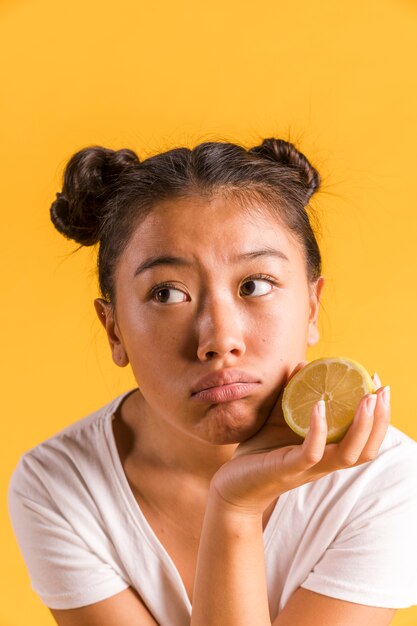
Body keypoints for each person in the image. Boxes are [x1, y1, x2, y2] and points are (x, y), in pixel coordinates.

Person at [8, 138, 417, 626]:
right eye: (166, 293)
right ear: (113, 328)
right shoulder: (60, 485)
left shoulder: (382, 482)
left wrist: (234, 508)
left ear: (311, 306)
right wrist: (234, 507)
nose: (219, 340)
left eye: (255, 285)